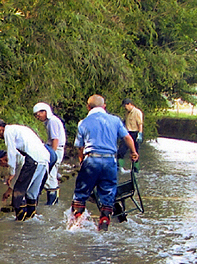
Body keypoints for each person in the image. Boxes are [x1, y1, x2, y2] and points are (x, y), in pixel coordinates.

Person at [71, 95, 139, 231]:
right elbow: (127, 137)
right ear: (104, 106)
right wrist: (133, 152)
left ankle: (77, 223)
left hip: (91, 160)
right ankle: (104, 220)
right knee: (108, 192)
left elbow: (80, 148)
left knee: (81, 192)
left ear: (88, 107)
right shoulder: (115, 120)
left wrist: (82, 163)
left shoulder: (83, 123)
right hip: (109, 161)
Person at [0, 118, 51, 221]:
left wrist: (12, 173)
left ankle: (20, 223)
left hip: (33, 160)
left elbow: (11, 154)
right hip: (44, 159)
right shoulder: (18, 129)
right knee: (31, 193)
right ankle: (30, 220)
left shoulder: (8, 133)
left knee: (18, 193)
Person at [33, 102, 66, 205]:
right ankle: (52, 201)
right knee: (51, 175)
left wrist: (52, 154)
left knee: (50, 176)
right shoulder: (50, 121)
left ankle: (52, 202)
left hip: (55, 150)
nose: (38, 118)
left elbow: (55, 139)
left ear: (45, 112)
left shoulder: (52, 121)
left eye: (39, 115)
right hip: (54, 149)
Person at [117, 98, 143, 173]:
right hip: (127, 133)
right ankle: (119, 167)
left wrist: (140, 134)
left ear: (129, 104)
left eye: (125, 106)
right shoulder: (127, 113)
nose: (125, 108)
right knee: (121, 151)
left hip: (135, 133)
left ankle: (136, 169)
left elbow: (140, 124)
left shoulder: (137, 112)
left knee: (135, 152)